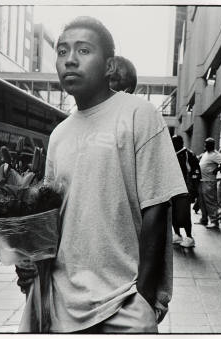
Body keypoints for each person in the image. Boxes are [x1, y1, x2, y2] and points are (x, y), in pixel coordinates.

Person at [15, 17, 187, 333]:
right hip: (61, 297)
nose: (69, 59)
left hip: (124, 301)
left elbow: (158, 206)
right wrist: (29, 261)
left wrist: (144, 296)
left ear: (109, 66)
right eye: (63, 50)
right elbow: (51, 214)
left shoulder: (139, 114)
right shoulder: (59, 135)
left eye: (83, 50)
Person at [171, 135, 200, 248]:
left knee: (184, 215)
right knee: (173, 214)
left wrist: (193, 190)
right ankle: (177, 235)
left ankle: (189, 237)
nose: (172, 144)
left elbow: (196, 173)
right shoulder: (172, 154)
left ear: (180, 143)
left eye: (174, 142)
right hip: (173, 188)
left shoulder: (189, 154)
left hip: (184, 190)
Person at [197, 137, 221, 228]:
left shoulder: (215, 154)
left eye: (207, 144)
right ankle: (204, 219)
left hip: (209, 181)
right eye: (205, 143)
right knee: (202, 202)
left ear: (212, 145)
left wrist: (216, 170)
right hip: (202, 180)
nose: (205, 145)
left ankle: (214, 222)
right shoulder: (206, 153)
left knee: (210, 202)